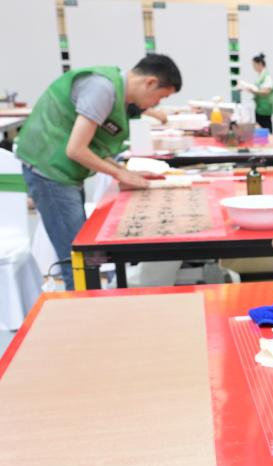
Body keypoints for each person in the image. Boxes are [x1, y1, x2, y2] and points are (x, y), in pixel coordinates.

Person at [15, 54, 181, 289]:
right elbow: (76, 149)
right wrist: (120, 174)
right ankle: (83, 305)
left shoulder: (115, 93)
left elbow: (93, 147)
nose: (155, 104)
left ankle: (93, 297)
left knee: (85, 253)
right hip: (50, 172)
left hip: (63, 172)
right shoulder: (102, 89)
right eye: (160, 97)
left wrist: (125, 171)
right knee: (77, 260)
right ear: (150, 82)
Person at [243, 53, 273, 133]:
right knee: (260, 127)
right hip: (260, 107)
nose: (253, 67)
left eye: (254, 65)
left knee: (266, 128)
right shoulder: (261, 76)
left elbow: (266, 91)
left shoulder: (267, 76)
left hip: (265, 108)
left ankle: (268, 140)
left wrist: (254, 90)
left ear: (260, 64)